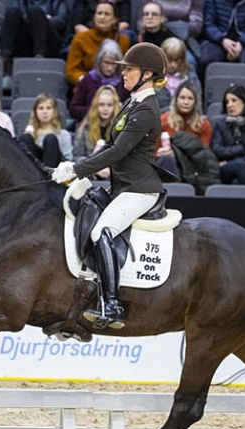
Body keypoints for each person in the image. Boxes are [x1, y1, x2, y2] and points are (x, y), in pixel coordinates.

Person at [52, 43, 169, 330]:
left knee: (101, 231)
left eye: (129, 69)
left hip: (139, 189)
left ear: (147, 73)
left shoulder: (146, 110)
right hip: (124, 187)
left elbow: (117, 152)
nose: (124, 74)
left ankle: (113, 303)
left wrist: (77, 168)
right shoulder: (133, 102)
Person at [155, 80, 213, 181]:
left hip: (192, 167)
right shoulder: (164, 120)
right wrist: (158, 154)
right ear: (176, 100)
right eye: (182, 98)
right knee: (167, 160)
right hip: (165, 164)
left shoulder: (204, 124)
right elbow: (153, 150)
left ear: (195, 102)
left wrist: (177, 155)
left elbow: (202, 155)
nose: (186, 102)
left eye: (190, 98)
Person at [65, 1, 131, 87]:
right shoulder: (80, 39)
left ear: (115, 19)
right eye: (99, 13)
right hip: (86, 87)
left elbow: (127, 70)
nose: (102, 17)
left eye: (106, 14)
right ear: (94, 17)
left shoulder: (123, 40)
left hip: (115, 88)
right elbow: (71, 72)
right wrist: (87, 80)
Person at [199, 0, 245, 78]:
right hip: (217, 40)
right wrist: (222, 39)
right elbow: (208, 25)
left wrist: (242, 42)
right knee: (208, 59)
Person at [69, 39, 129, 123]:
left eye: (113, 64)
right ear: (99, 61)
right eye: (106, 63)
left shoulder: (124, 81)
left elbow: (131, 107)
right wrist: (96, 110)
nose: (110, 68)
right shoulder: (88, 79)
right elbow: (74, 109)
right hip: (90, 125)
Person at [0, 0, 69, 67]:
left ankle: (39, 55)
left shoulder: (57, 1)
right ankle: (6, 56)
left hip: (48, 43)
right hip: (25, 41)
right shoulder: (19, 1)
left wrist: (42, 20)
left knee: (35, 11)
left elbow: (61, 21)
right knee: (12, 11)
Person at [73, 85, 122, 179]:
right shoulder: (85, 127)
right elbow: (77, 157)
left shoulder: (121, 128)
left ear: (115, 106)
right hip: (90, 175)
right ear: (96, 106)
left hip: (114, 175)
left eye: (110, 105)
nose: (105, 109)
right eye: (102, 104)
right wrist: (95, 169)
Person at [20, 93, 73, 167]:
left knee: (50, 139)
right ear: (35, 111)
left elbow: (68, 161)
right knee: (25, 137)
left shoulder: (64, 134)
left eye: (48, 108)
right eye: (41, 108)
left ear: (54, 111)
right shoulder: (30, 133)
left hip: (56, 170)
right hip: (33, 171)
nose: (44, 112)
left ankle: (47, 176)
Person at [156, 37, 201, 113]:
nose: (173, 65)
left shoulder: (191, 77)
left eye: (177, 60)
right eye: (169, 60)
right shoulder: (153, 76)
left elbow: (197, 105)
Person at [155, 0, 204, 69]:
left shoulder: (193, 1)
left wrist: (164, 24)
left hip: (183, 40)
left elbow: (196, 26)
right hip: (155, 36)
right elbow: (142, 23)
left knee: (189, 61)